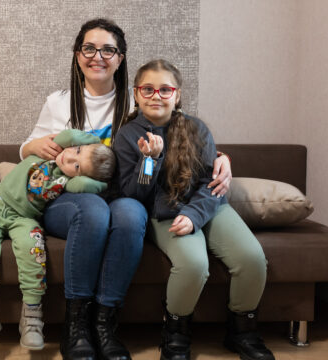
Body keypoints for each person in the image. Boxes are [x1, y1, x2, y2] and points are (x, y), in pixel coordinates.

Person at [21, 19, 232, 360]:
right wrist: (34, 146)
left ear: (120, 59)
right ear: (78, 55)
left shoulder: (136, 102)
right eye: (89, 48)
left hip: (119, 196)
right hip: (68, 199)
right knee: (92, 210)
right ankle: (77, 324)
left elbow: (178, 137)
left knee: (132, 213)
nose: (98, 56)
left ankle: (105, 324)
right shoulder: (60, 102)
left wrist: (221, 157)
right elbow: (26, 147)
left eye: (108, 50)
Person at [113, 59, 274, 360]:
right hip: (164, 213)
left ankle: (242, 331)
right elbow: (134, 194)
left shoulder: (197, 129)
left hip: (207, 206)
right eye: (147, 89)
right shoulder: (125, 136)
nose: (156, 95)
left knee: (252, 258)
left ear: (177, 95)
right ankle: (175, 335)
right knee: (194, 264)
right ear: (136, 94)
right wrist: (151, 160)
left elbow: (210, 184)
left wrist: (195, 215)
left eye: (165, 89)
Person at [0, 129, 115, 351]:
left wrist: (96, 173)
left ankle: (32, 317)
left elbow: (90, 187)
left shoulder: (67, 182)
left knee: (33, 251)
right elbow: (67, 138)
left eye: (77, 166)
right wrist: (92, 143)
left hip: (24, 219)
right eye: (76, 151)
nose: (70, 157)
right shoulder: (50, 151)